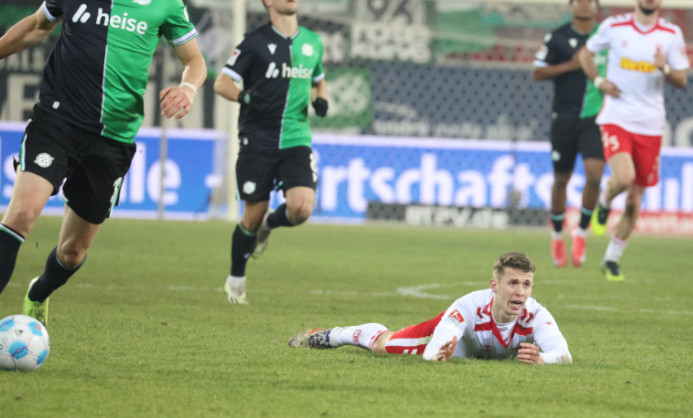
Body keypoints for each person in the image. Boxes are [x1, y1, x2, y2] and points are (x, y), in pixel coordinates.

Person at [0, 0, 205, 324]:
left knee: (72, 253)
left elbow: (194, 60)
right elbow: (37, 26)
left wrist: (188, 88)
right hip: (57, 120)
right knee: (22, 213)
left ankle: (38, 292)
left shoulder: (166, 4)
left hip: (114, 139)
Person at [213, 0, 328, 304]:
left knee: (302, 208)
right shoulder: (254, 43)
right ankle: (236, 280)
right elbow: (221, 83)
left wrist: (321, 100)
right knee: (252, 214)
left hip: (296, 138)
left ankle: (270, 225)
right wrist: (245, 97)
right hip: (258, 139)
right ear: (267, 2)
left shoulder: (313, 42)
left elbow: (319, 82)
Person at [288, 252, 573, 365]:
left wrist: (543, 360)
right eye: (513, 283)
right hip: (457, 345)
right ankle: (335, 335)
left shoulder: (536, 315)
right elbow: (435, 347)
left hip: (470, 351)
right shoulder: (469, 306)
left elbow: (564, 354)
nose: (521, 292)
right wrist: (437, 354)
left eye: (527, 285)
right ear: (494, 286)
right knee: (385, 346)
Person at [578, 0, 689, 281]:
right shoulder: (614, 27)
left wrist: (664, 68)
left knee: (633, 203)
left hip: (651, 126)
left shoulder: (671, 34)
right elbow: (585, 56)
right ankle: (604, 201)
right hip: (617, 118)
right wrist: (600, 82)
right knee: (624, 177)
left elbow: (682, 79)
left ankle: (611, 260)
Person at [533, 0, 606, 268]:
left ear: (597, 7)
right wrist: (572, 65)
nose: (585, 5)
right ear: (571, 5)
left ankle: (582, 232)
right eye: (580, 0)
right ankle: (556, 235)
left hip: (596, 117)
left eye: (590, 1)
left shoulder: (605, 36)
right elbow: (537, 72)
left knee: (595, 176)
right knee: (561, 179)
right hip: (563, 117)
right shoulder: (558, 36)